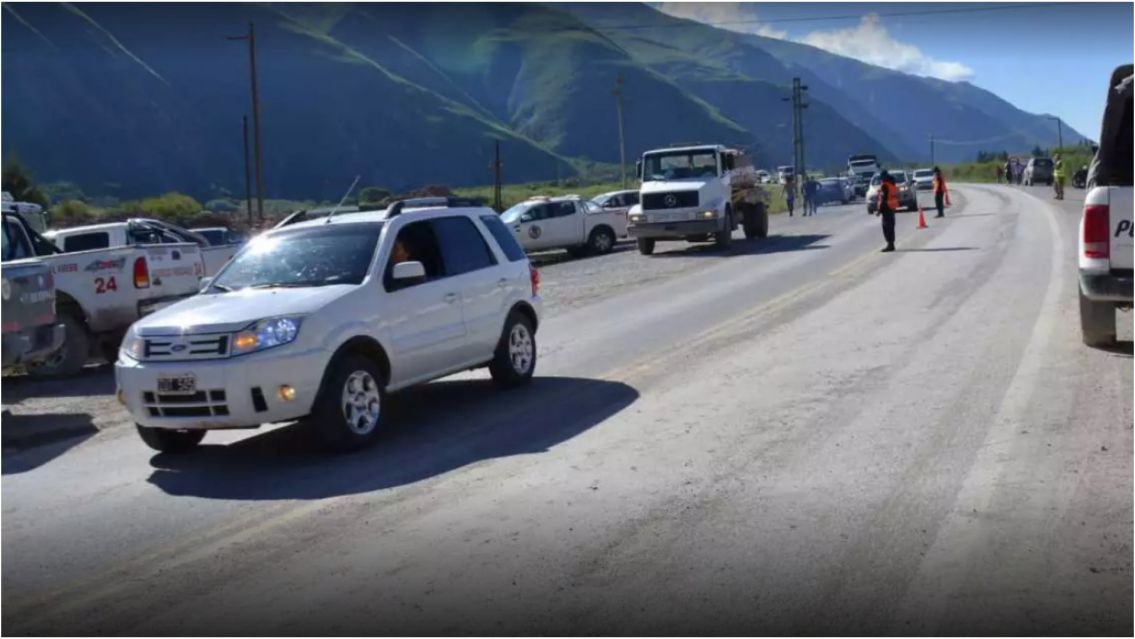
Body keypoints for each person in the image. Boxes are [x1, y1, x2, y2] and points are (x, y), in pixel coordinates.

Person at [875, 170, 899, 252]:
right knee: (891, 227)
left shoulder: (884, 186)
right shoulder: (892, 184)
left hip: (886, 209)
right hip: (891, 208)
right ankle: (891, 244)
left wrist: (879, 210)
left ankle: (890, 245)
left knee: (886, 228)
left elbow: (883, 199)